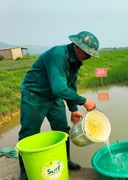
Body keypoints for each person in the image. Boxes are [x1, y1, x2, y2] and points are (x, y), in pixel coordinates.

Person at [18, 31, 99, 180]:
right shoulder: (58, 55)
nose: (88, 57)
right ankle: (25, 171)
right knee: (29, 133)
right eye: (87, 52)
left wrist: (73, 109)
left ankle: (65, 160)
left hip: (54, 97)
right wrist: (84, 101)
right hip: (34, 95)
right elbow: (59, 88)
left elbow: (70, 85)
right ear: (77, 46)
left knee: (62, 130)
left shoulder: (76, 61)